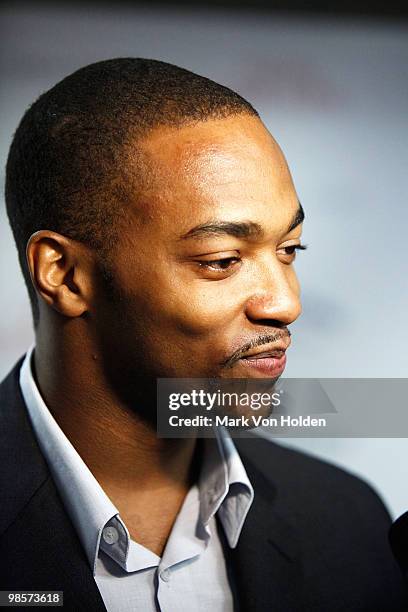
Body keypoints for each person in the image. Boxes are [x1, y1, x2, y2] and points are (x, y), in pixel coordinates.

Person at [0, 58, 405, 611]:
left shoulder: (348, 521)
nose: (287, 303)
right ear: (65, 275)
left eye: (290, 250)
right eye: (221, 260)